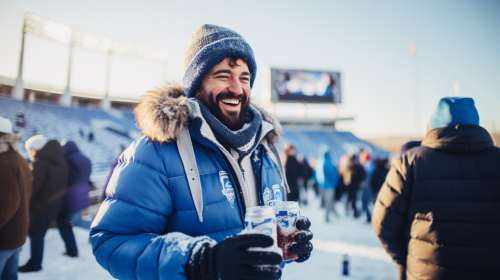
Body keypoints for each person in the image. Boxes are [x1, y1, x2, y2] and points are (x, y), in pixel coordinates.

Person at [90, 24, 313, 280]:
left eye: (244, 77)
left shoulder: (265, 149)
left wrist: (286, 241)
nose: (237, 88)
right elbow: (111, 241)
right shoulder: (156, 152)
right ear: (196, 83)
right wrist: (199, 261)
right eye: (223, 75)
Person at [372, 97, 500, 280]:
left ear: (430, 128)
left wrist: (410, 258)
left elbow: (382, 222)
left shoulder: (410, 162)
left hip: (427, 273)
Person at [19, 135, 68, 272]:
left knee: (36, 236)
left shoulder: (40, 164)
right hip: (54, 206)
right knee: (39, 235)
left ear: (36, 149)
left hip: (39, 208)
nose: (29, 153)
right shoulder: (62, 162)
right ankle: (35, 261)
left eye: (30, 150)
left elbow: (32, 188)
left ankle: (35, 264)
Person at [0, 117, 31, 280]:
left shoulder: (3, 161)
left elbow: (5, 205)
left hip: (4, 237)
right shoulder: (19, 158)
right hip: (16, 233)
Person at [56, 140, 92, 258]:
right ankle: (98, 228)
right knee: (76, 221)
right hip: (83, 196)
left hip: (71, 198)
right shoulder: (85, 159)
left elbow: (65, 179)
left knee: (63, 223)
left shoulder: (67, 160)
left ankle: (72, 250)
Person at [315, 149, 339, 222]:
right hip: (330, 185)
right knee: (329, 201)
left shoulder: (319, 162)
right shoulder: (328, 162)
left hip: (322, 185)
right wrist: (336, 182)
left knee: (329, 201)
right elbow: (333, 174)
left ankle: (336, 214)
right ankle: (326, 218)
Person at [359, 151, 375, 223]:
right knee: (367, 202)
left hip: (367, 187)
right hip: (369, 186)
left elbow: (367, 176)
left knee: (366, 202)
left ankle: (369, 217)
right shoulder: (372, 164)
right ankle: (368, 216)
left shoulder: (367, 165)